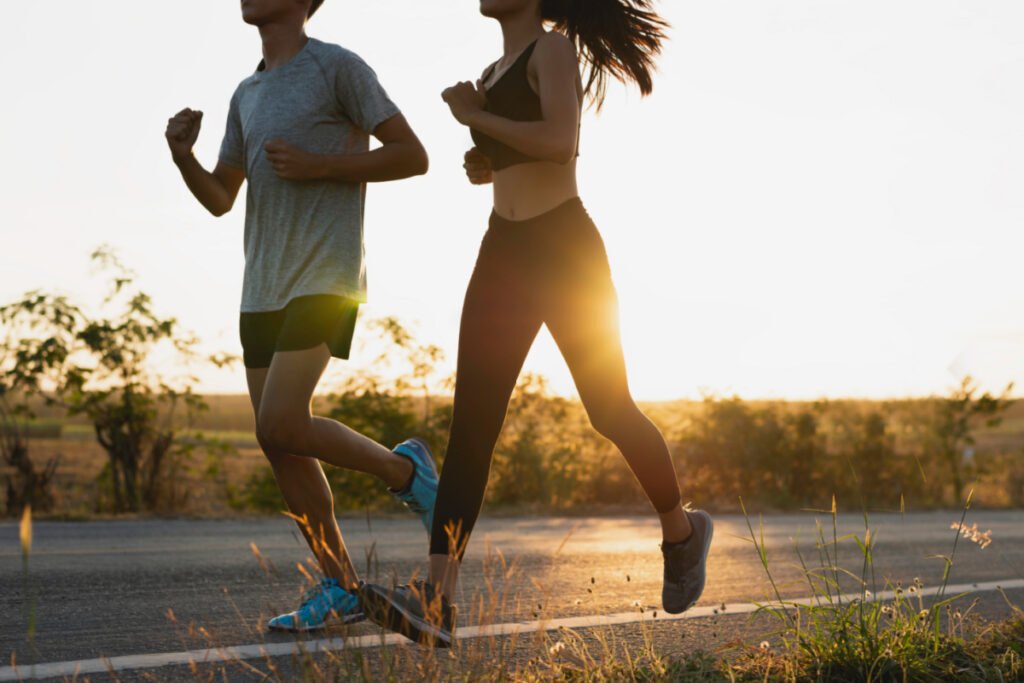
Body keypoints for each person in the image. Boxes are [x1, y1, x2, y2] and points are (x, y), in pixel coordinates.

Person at [359, 0, 713, 648]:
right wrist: (484, 161)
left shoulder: (551, 50)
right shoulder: (491, 72)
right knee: (471, 429)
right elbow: (513, 157)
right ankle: (437, 599)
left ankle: (681, 530)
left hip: (564, 249)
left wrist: (474, 117)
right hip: (503, 250)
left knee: (609, 408)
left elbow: (560, 142)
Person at [164, 0, 437, 632]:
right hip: (261, 285)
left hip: (326, 277)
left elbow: (412, 155)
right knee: (275, 437)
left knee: (283, 419)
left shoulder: (337, 68)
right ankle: (341, 587)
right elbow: (221, 198)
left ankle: (406, 472)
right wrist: (184, 158)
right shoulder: (246, 92)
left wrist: (322, 166)